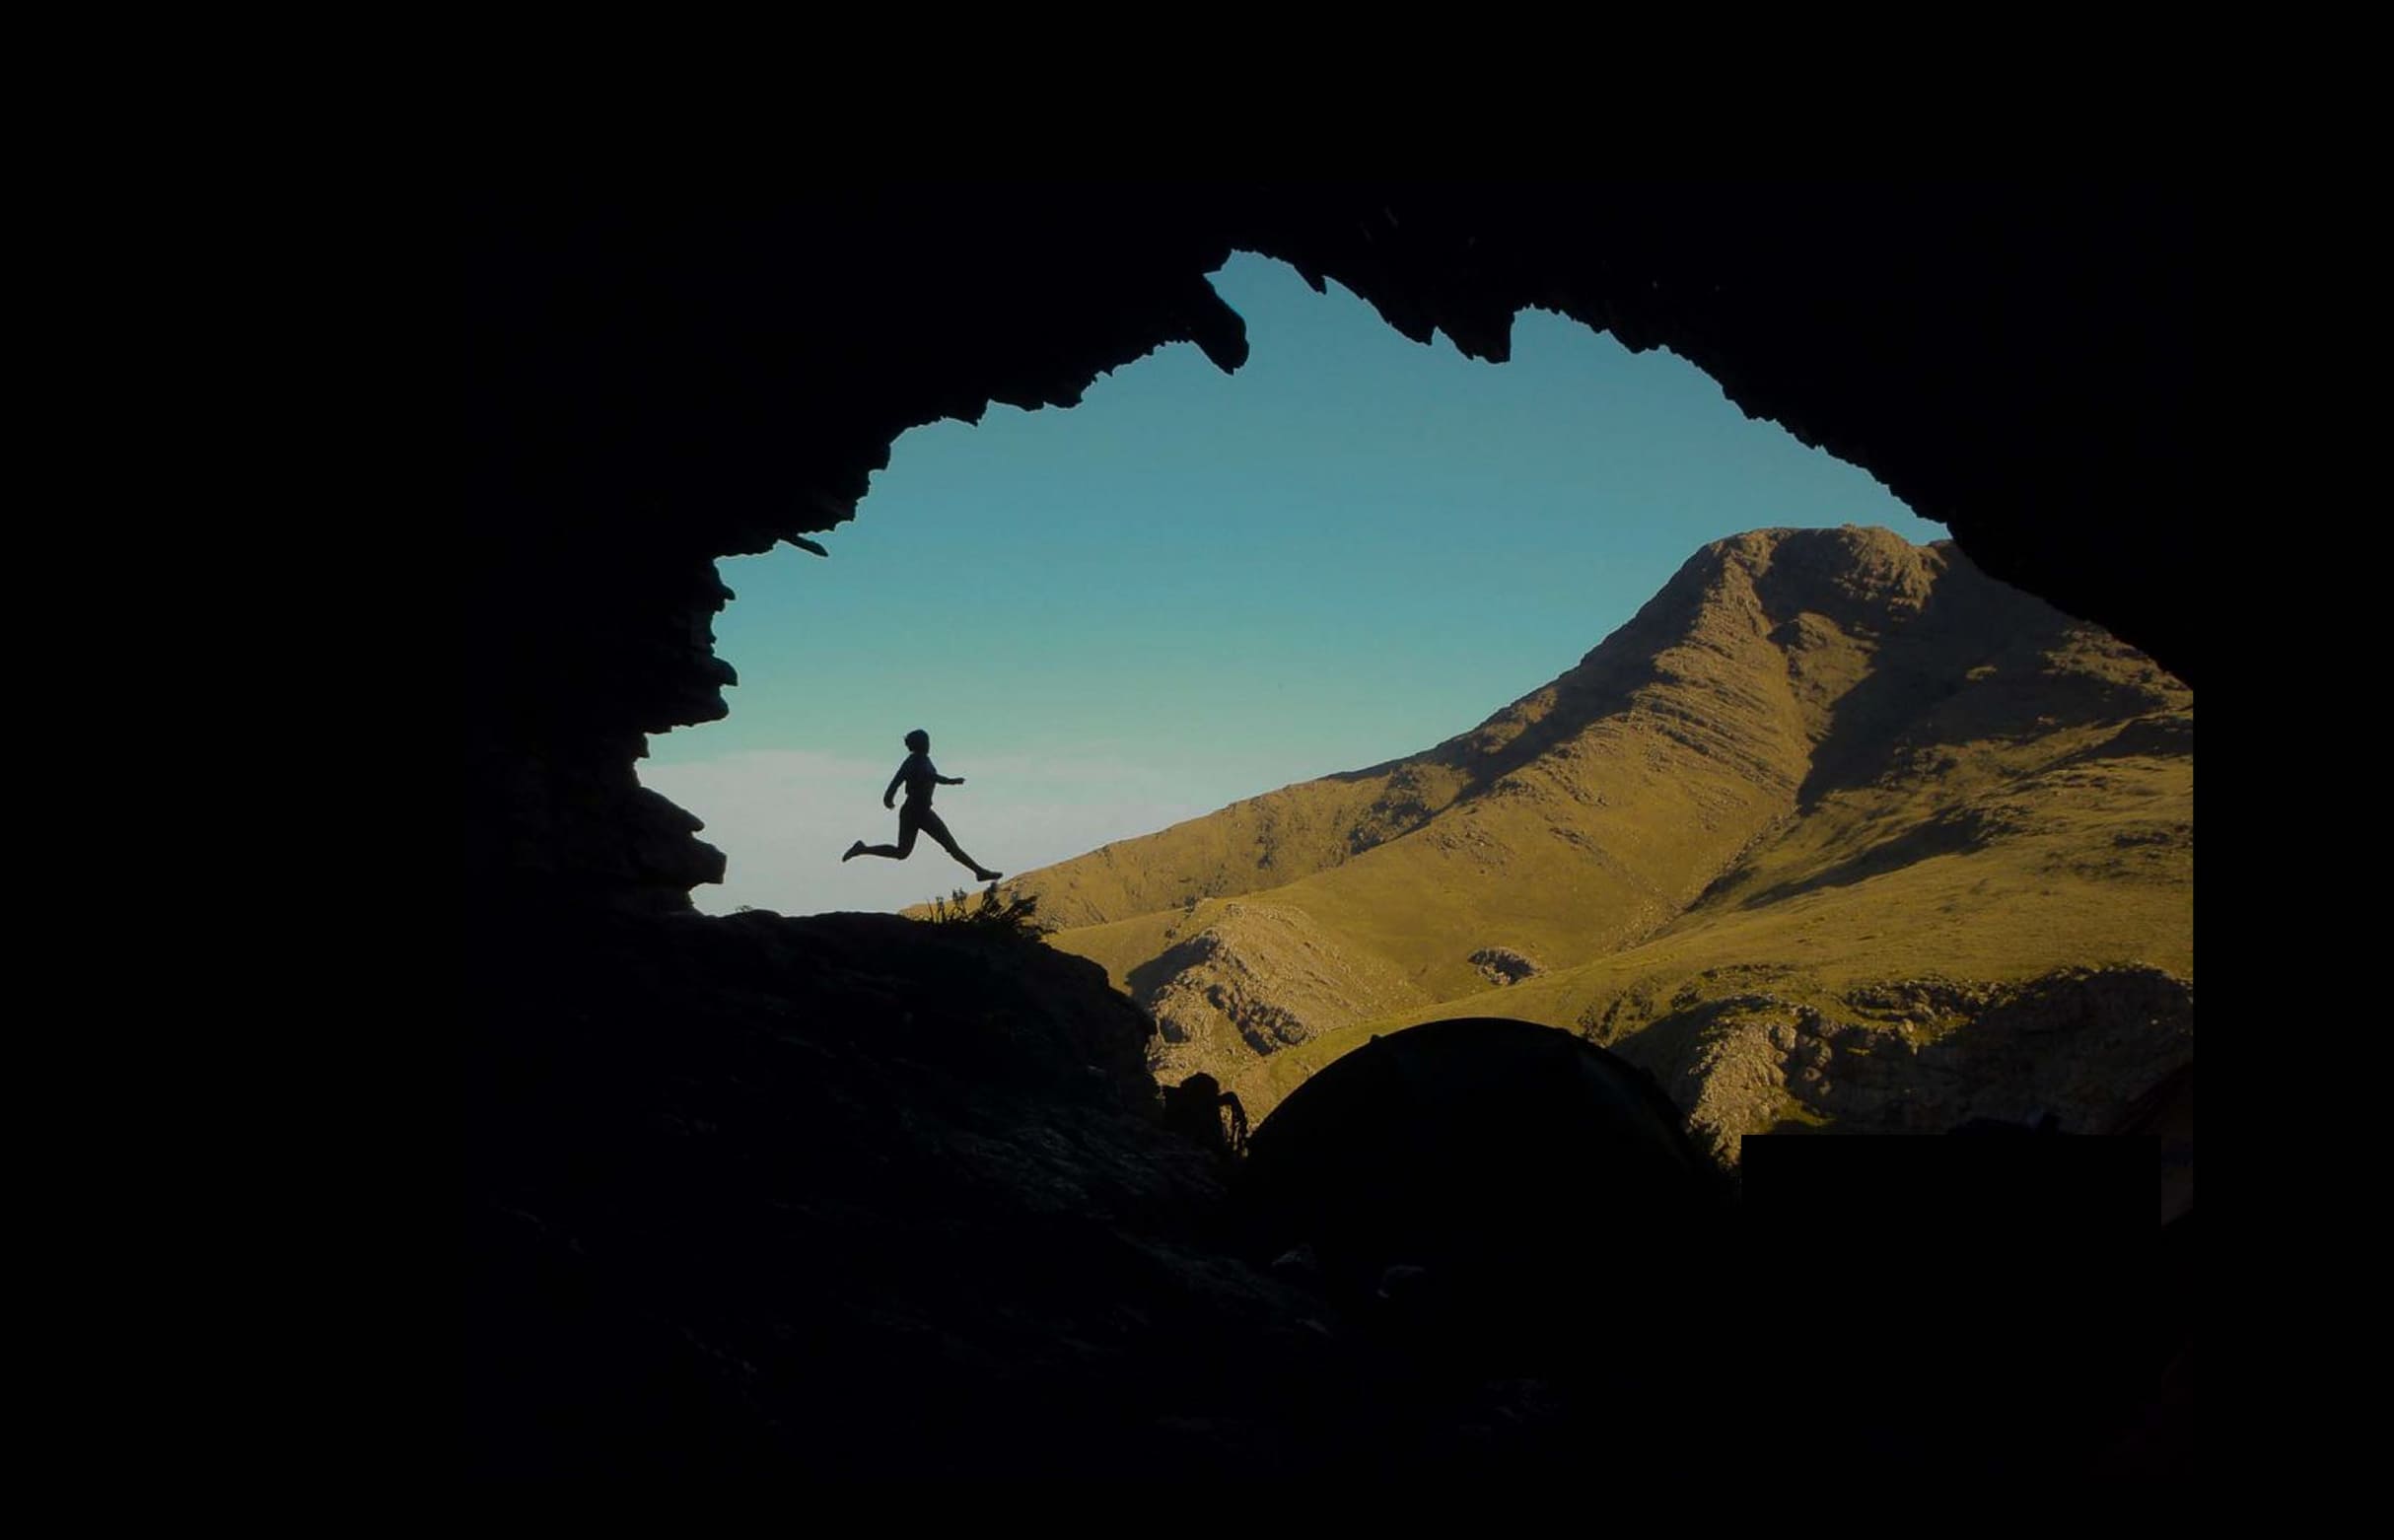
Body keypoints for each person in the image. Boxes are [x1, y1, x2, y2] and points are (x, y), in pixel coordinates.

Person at [842, 729, 1002, 881]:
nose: (929, 745)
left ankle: (979, 872)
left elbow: (905, 782)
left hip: (922, 811)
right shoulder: (913, 762)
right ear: (920, 744)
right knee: (908, 851)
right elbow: (920, 778)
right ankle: (862, 849)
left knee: (924, 849)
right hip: (913, 812)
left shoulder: (924, 760)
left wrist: (889, 798)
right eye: (926, 742)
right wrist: (952, 781)